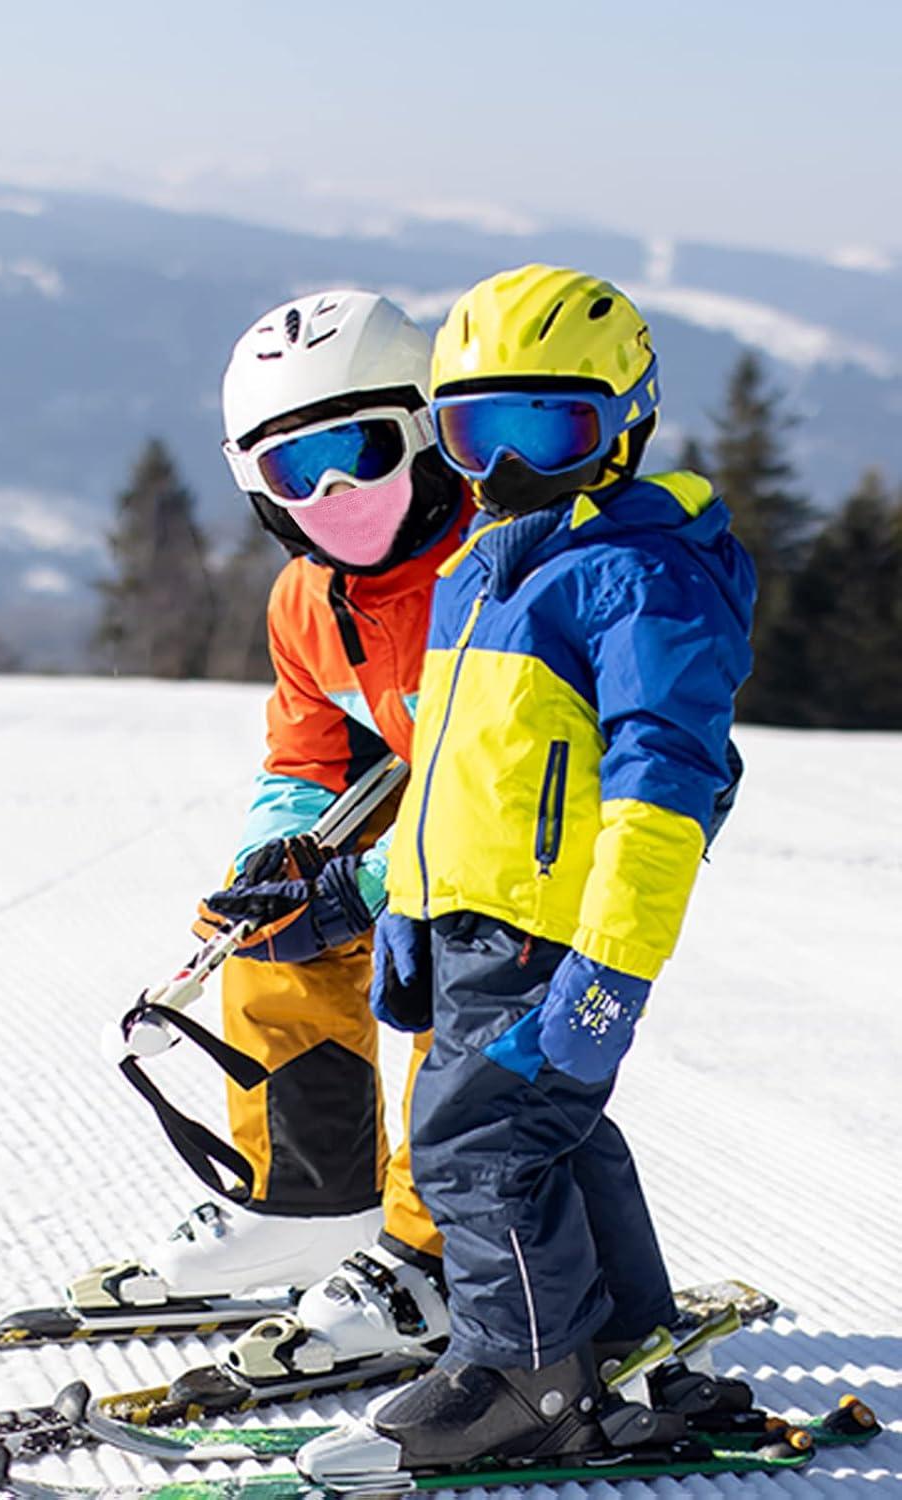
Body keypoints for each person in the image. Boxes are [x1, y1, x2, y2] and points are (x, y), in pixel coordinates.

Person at [313, 264, 756, 1470]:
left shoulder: (642, 577)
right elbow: (456, 769)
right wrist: (401, 899)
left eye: (547, 428)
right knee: (555, 1135)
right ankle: (622, 1348)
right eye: (475, 431)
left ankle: (523, 1375)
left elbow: (665, 792)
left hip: (551, 933)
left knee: (478, 1150)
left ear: (625, 418)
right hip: (472, 921)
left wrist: (610, 968)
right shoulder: (486, 565)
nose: (505, 467)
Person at [69, 290, 469, 1376]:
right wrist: (278, 861)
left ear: (431, 430)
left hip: (546, 825)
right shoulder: (310, 600)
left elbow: (499, 786)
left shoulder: (500, 572)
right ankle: (310, 1195)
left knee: (462, 956)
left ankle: (439, 1254)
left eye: (360, 451)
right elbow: (308, 752)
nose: (335, 492)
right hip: (437, 797)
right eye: (300, 471)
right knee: (274, 926)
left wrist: (375, 884)